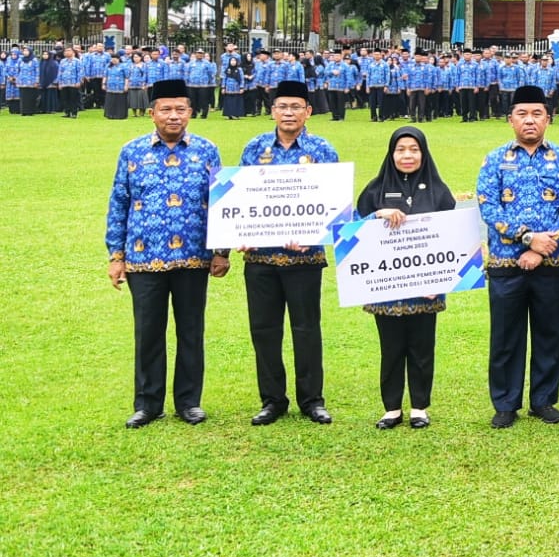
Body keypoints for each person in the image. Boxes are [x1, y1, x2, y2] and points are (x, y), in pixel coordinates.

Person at [105, 79, 230, 427]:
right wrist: (116, 256)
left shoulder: (207, 151)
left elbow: (222, 204)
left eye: (180, 109)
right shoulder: (132, 152)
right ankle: (148, 403)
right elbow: (119, 203)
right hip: (143, 258)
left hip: (193, 258)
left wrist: (221, 252)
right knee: (148, 332)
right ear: (152, 113)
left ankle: (189, 402)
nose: (173, 116)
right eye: (166, 110)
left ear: (190, 112)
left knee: (191, 331)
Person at [476, 85, 559, 429]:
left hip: (551, 263)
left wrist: (542, 247)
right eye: (522, 114)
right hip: (507, 263)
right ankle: (506, 403)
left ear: (548, 119)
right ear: (510, 120)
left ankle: (543, 400)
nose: (530, 121)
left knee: (549, 333)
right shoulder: (494, 160)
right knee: (506, 336)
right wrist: (527, 239)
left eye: (537, 114)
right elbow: (488, 206)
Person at [239, 80, 340, 425]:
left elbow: (335, 204)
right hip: (261, 258)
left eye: (296, 107)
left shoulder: (323, 149)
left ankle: (312, 399)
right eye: (282, 107)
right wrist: (240, 231)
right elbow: (240, 199)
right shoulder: (254, 149)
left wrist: (313, 234)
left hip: (304, 259)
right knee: (264, 330)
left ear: (308, 112)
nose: (289, 113)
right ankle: (272, 400)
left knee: (306, 328)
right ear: (272, 111)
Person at [355, 126, 458, 429]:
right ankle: (391, 409)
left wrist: (439, 280)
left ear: (423, 154)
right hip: (386, 288)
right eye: (401, 149)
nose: (407, 155)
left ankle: (419, 407)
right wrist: (377, 215)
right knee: (391, 348)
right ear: (391, 153)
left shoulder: (439, 192)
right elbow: (351, 231)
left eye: (414, 149)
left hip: (425, 290)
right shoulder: (376, 189)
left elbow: (453, 239)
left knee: (422, 348)